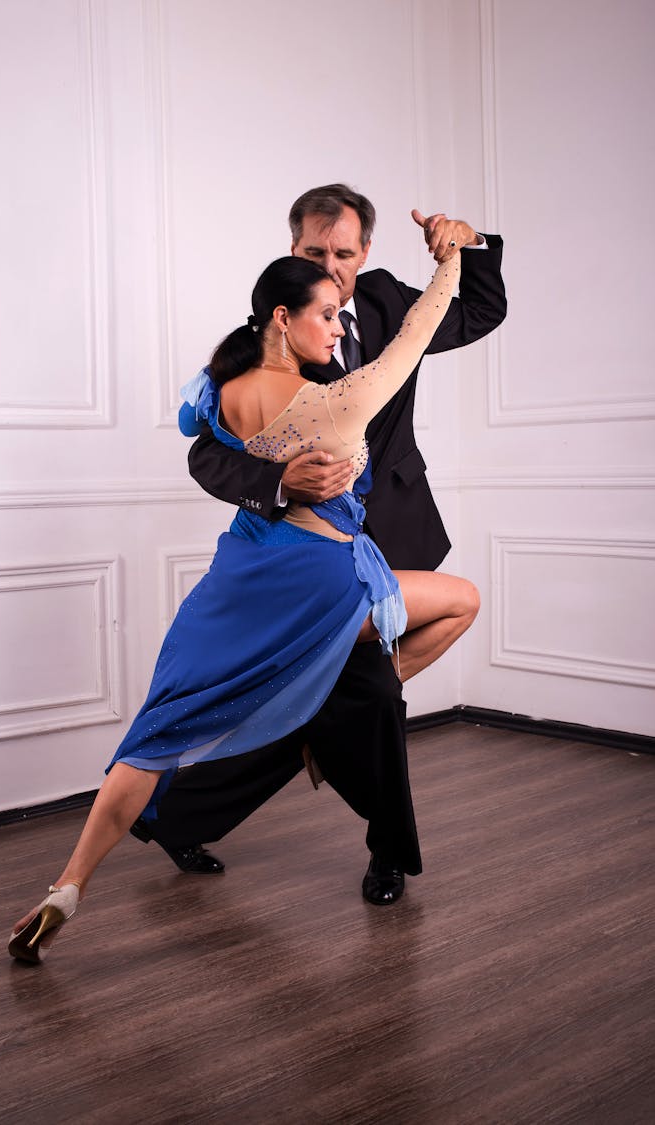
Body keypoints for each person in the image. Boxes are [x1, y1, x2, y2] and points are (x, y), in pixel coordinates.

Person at [8, 242, 477, 963]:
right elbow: (418, 330)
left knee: (154, 735)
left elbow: (204, 439)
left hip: (239, 582)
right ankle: (317, 714)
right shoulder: (335, 399)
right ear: (284, 318)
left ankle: (68, 884)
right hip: (324, 587)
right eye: (327, 315)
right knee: (463, 600)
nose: (339, 327)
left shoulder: (220, 388)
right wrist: (452, 258)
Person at [130, 185, 507, 905]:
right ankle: (387, 854)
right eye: (313, 252)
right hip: (304, 557)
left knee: (352, 700)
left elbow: (480, 310)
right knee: (360, 702)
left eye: (343, 252)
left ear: (365, 252)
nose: (330, 267)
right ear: (292, 249)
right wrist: (280, 481)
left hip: (391, 527)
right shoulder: (266, 343)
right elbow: (207, 455)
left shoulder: (394, 299)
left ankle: (185, 814)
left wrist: (470, 245)